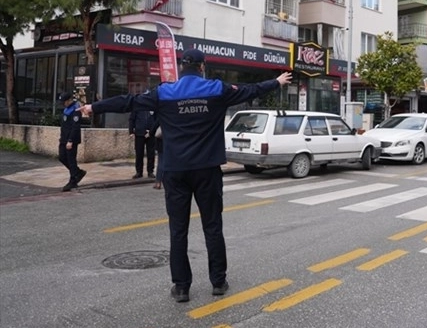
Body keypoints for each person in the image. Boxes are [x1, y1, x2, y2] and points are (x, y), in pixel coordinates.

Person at [78, 49, 292, 303]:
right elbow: (251, 90)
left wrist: (94, 106)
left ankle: (181, 287)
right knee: (213, 226)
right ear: (202, 67)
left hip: (175, 170)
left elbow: (128, 101)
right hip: (207, 170)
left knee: (178, 230)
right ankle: (218, 282)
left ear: (182, 67)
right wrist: (276, 82)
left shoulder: (164, 92)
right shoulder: (217, 89)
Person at [57, 91, 86, 192]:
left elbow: (75, 127)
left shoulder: (75, 109)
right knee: (62, 157)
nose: (63, 104)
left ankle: (73, 181)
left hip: (71, 139)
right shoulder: (67, 109)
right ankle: (77, 172)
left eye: (64, 102)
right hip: (64, 138)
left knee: (71, 160)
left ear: (69, 100)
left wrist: (70, 140)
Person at [129, 109, 156, 179]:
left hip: (151, 134)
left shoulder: (153, 106)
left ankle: (150, 171)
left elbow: (156, 119)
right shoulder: (137, 107)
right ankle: (139, 172)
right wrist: (131, 131)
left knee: (151, 153)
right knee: (139, 153)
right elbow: (132, 119)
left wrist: (152, 130)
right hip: (139, 133)